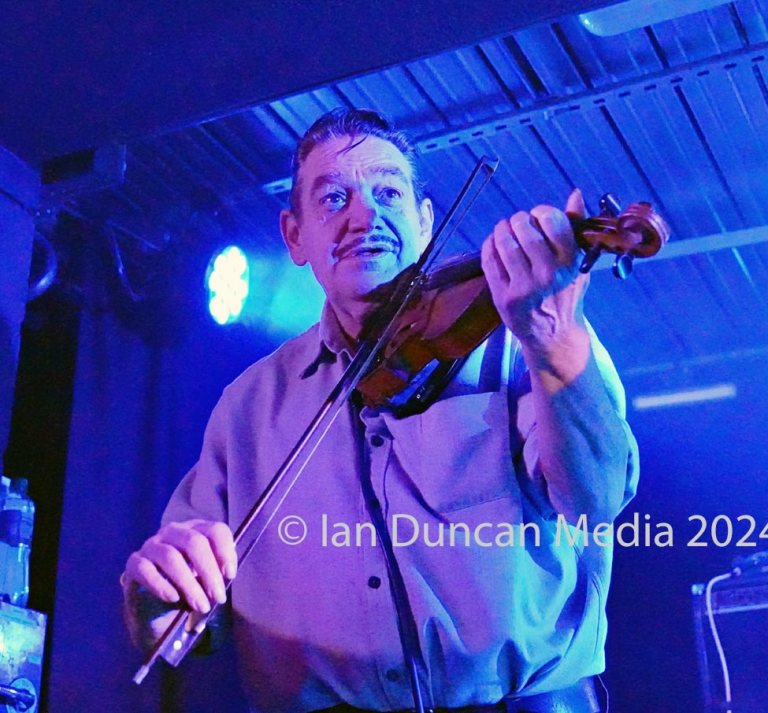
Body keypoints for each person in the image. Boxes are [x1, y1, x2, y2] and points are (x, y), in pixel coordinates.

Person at [121, 108, 639, 713]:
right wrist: (152, 601)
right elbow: (182, 626)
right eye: (334, 197)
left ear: (424, 221)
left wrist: (554, 338)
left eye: (387, 191)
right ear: (295, 236)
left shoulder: (524, 331)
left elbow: (595, 499)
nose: (364, 215)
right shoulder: (247, 407)